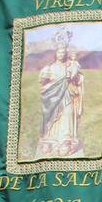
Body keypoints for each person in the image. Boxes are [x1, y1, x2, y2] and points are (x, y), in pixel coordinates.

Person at [37, 29, 84, 158]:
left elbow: (78, 79)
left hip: (67, 95)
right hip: (53, 99)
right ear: (55, 53)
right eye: (59, 52)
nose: (61, 54)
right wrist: (44, 78)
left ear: (66, 53)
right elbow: (43, 83)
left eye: (63, 52)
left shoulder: (71, 65)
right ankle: (51, 140)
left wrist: (74, 76)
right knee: (52, 118)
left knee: (67, 114)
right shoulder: (50, 68)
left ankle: (65, 139)